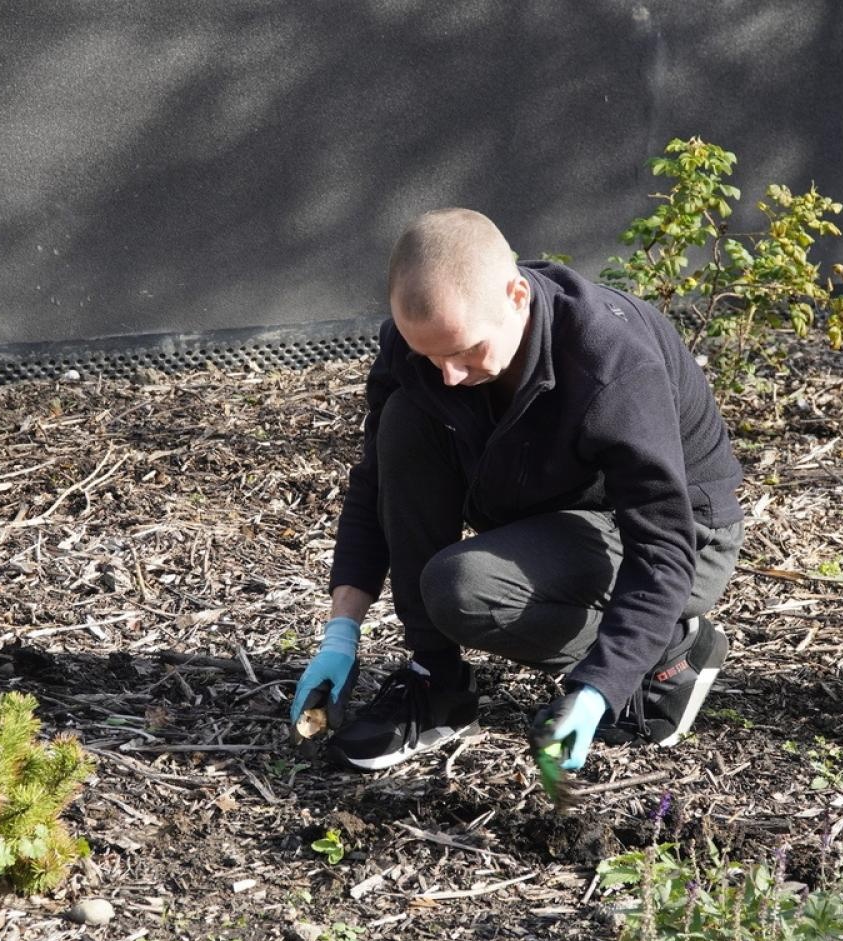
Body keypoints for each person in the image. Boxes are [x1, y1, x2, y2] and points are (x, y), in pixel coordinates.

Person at [291, 208, 744, 773]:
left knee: (465, 589)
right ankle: (438, 683)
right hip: (547, 505)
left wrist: (600, 685)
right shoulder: (422, 350)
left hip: (679, 539)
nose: (449, 374)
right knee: (407, 419)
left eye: (464, 351)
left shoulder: (612, 365)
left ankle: (671, 653)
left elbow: (663, 547)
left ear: (517, 296)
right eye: (432, 355)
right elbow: (376, 484)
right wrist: (341, 633)